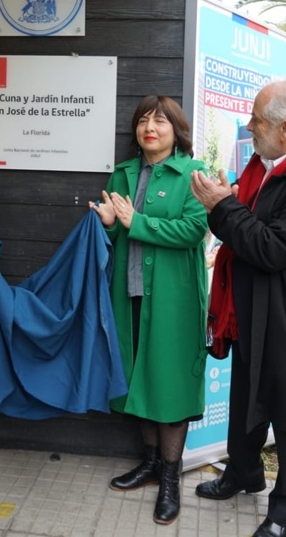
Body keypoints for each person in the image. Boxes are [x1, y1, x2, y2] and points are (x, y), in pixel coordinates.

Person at [190, 79, 286, 537]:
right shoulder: (271, 163)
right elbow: (255, 219)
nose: (248, 126)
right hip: (258, 310)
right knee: (245, 399)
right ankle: (243, 472)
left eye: (255, 120)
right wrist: (233, 200)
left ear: (285, 127)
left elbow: (272, 248)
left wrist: (223, 208)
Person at [89, 95, 208, 526]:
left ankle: (171, 479)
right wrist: (107, 222)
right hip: (129, 292)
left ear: (177, 130)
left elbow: (195, 229)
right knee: (136, 375)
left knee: (170, 385)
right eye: (143, 121)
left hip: (173, 298)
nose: (149, 128)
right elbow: (119, 231)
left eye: (159, 121)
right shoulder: (122, 173)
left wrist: (135, 223)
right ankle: (151, 463)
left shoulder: (193, 174)